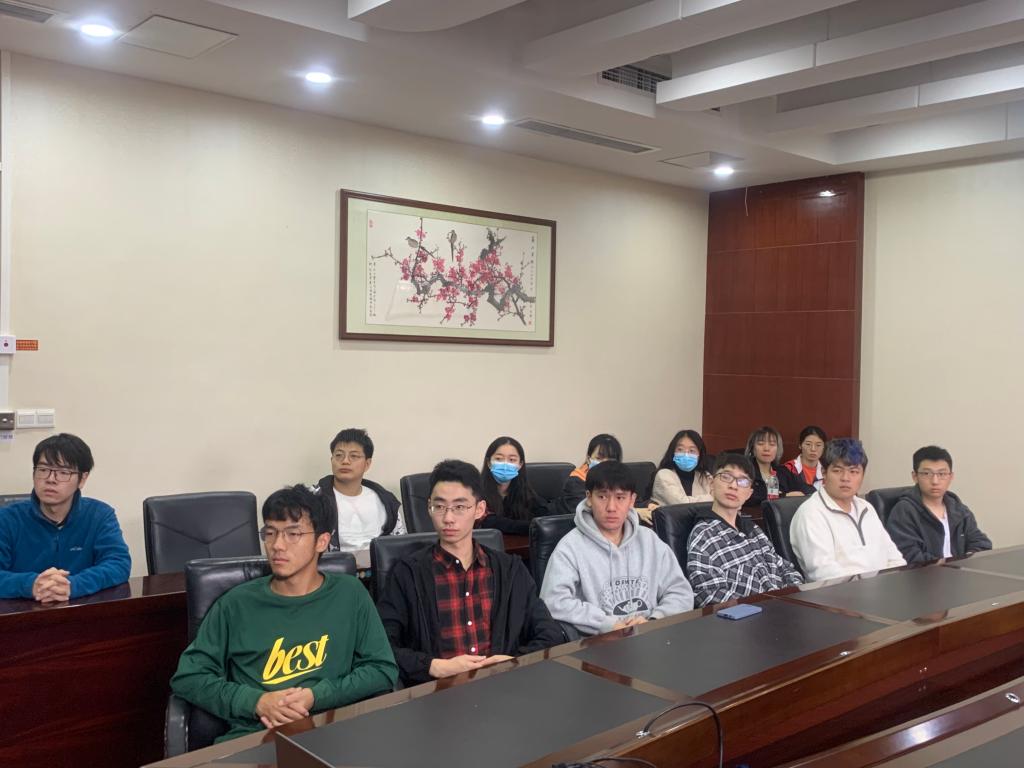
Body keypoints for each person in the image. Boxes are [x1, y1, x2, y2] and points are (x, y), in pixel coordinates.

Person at [170, 485, 397, 743]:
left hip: (334, 735)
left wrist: (316, 696)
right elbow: (188, 678)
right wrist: (256, 701)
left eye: (293, 534)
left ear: (322, 541)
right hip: (256, 740)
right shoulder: (235, 604)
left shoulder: (350, 594)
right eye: (270, 533)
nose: (277, 545)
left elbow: (382, 669)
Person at [376, 460, 563, 687]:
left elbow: (550, 633)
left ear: (479, 509)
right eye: (439, 506)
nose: (448, 518)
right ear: (429, 507)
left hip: (504, 686)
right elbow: (381, 645)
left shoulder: (510, 570)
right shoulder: (408, 574)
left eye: (459, 507)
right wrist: (433, 666)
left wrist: (514, 661)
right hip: (438, 692)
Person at [540, 461, 694, 635]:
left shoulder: (649, 540)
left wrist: (654, 620)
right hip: (599, 641)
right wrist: (606, 624)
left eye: (620, 498)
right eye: (602, 497)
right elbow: (554, 601)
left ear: (632, 500)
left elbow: (681, 592)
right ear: (589, 498)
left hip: (650, 637)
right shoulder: (570, 547)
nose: (611, 507)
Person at [0, 433, 130, 601]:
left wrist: (73, 585)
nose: (51, 479)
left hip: (82, 611)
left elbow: (119, 564)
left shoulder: (99, 515)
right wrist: (30, 584)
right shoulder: (7, 519)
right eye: (43, 470)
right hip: (23, 613)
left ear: (82, 479)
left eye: (63, 472)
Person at [686, 454, 803, 607]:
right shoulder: (704, 536)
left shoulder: (754, 530)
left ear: (749, 493)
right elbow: (708, 594)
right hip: (748, 616)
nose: (733, 486)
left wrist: (793, 598)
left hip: (783, 608)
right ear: (711, 483)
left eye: (742, 481)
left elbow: (786, 570)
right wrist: (759, 608)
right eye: (726, 477)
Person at [790, 438, 905, 581]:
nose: (845, 478)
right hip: (838, 593)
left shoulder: (866, 507)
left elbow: (894, 558)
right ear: (824, 473)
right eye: (837, 471)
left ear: (862, 475)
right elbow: (823, 573)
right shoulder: (811, 514)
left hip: (882, 588)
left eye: (854, 471)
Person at [885, 446, 992, 564]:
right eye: (927, 473)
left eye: (942, 474)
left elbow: (982, 543)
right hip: (924, 574)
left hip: (958, 572)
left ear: (951, 477)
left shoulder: (958, 509)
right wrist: (944, 567)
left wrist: (966, 561)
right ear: (915, 476)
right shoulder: (904, 511)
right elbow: (908, 555)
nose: (935, 481)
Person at [315, 428, 405, 551]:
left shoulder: (386, 501)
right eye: (339, 455)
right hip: (332, 562)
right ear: (332, 461)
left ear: (367, 464)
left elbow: (400, 545)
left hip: (377, 563)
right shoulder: (314, 499)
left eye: (354, 456)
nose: (345, 461)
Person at [478, 436, 548, 535]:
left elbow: (545, 518)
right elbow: (489, 522)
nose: (505, 464)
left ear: (520, 465)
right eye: (499, 459)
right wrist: (532, 526)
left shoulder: (524, 491)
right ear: (489, 463)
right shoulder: (476, 490)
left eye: (512, 460)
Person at [553, 433, 622, 516]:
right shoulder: (575, 482)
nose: (605, 464)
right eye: (599, 458)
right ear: (589, 459)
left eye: (611, 460)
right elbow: (587, 514)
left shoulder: (621, 480)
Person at [744, 426, 813, 508]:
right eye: (761, 444)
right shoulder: (744, 472)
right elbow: (748, 496)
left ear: (778, 449)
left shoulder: (783, 472)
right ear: (752, 448)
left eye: (772, 444)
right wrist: (783, 496)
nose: (766, 449)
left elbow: (807, 489)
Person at [650, 429, 714, 506]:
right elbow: (682, 505)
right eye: (680, 449)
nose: (686, 455)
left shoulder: (704, 476)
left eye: (692, 450)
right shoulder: (663, 475)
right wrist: (712, 498)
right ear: (673, 452)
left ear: (700, 455)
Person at [784, 426, 828, 490]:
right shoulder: (788, 469)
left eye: (818, 445)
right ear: (800, 445)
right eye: (808, 444)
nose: (813, 449)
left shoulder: (828, 471)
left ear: (824, 447)